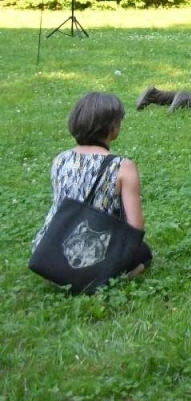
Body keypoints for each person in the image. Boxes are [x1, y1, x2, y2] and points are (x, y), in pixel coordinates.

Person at [33, 93, 151, 283]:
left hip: (49, 248)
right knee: (144, 252)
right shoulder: (122, 166)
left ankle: (62, 274)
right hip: (92, 255)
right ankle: (100, 281)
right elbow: (135, 228)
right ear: (113, 127)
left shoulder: (59, 159)